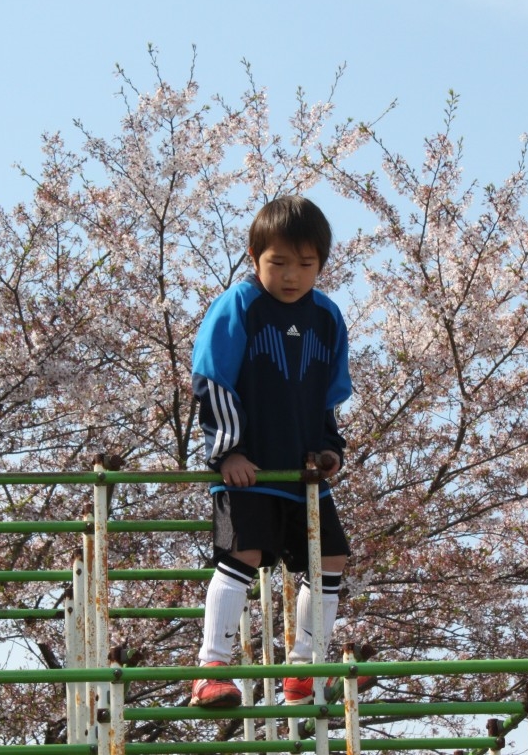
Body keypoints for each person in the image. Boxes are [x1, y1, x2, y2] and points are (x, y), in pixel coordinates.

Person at [188, 195, 364, 708]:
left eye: (306, 264)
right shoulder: (239, 305)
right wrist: (229, 452)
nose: (291, 275)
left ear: (321, 263)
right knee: (242, 554)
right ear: (254, 256)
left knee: (330, 557)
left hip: (302, 474)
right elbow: (212, 379)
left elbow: (327, 394)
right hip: (249, 467)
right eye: (279, 262)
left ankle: (304, 670)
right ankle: (211, 669)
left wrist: (329, 448)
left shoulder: (326, 316)